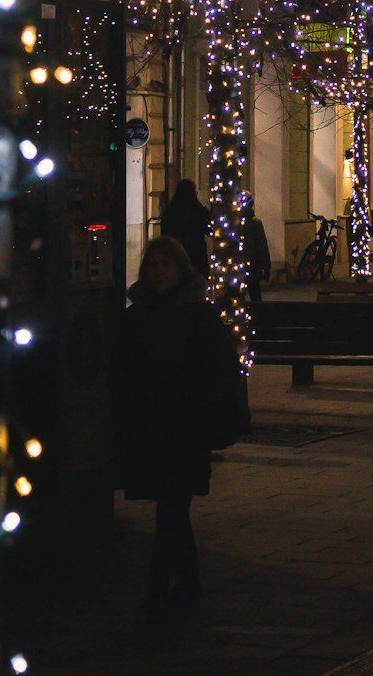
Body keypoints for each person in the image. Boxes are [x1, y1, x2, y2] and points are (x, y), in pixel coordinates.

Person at [116, 236, 243, 619]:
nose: (159, 273)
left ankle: (155, 593)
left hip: (186, 427)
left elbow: (220, 372)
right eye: (153, 266)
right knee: (173, 507)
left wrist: (213, 418)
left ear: (181, 269)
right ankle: (188, 580)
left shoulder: (198, 317)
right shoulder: (137, 315)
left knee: (170, 509)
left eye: (166, 265)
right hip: (152, 427)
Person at [161, 178, 212, 276]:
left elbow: (165, 235)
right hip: (197, 256)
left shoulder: (170, 212)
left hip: (176, 256)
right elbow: (209, 230)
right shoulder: (198, 211)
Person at [244, 198, 271, 303]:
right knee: (255, 293)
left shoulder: (234, 222)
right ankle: (258, 315)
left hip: (237, 262)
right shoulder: (255, 222)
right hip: (252, 264)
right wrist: (266, 266)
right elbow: (262, 245)